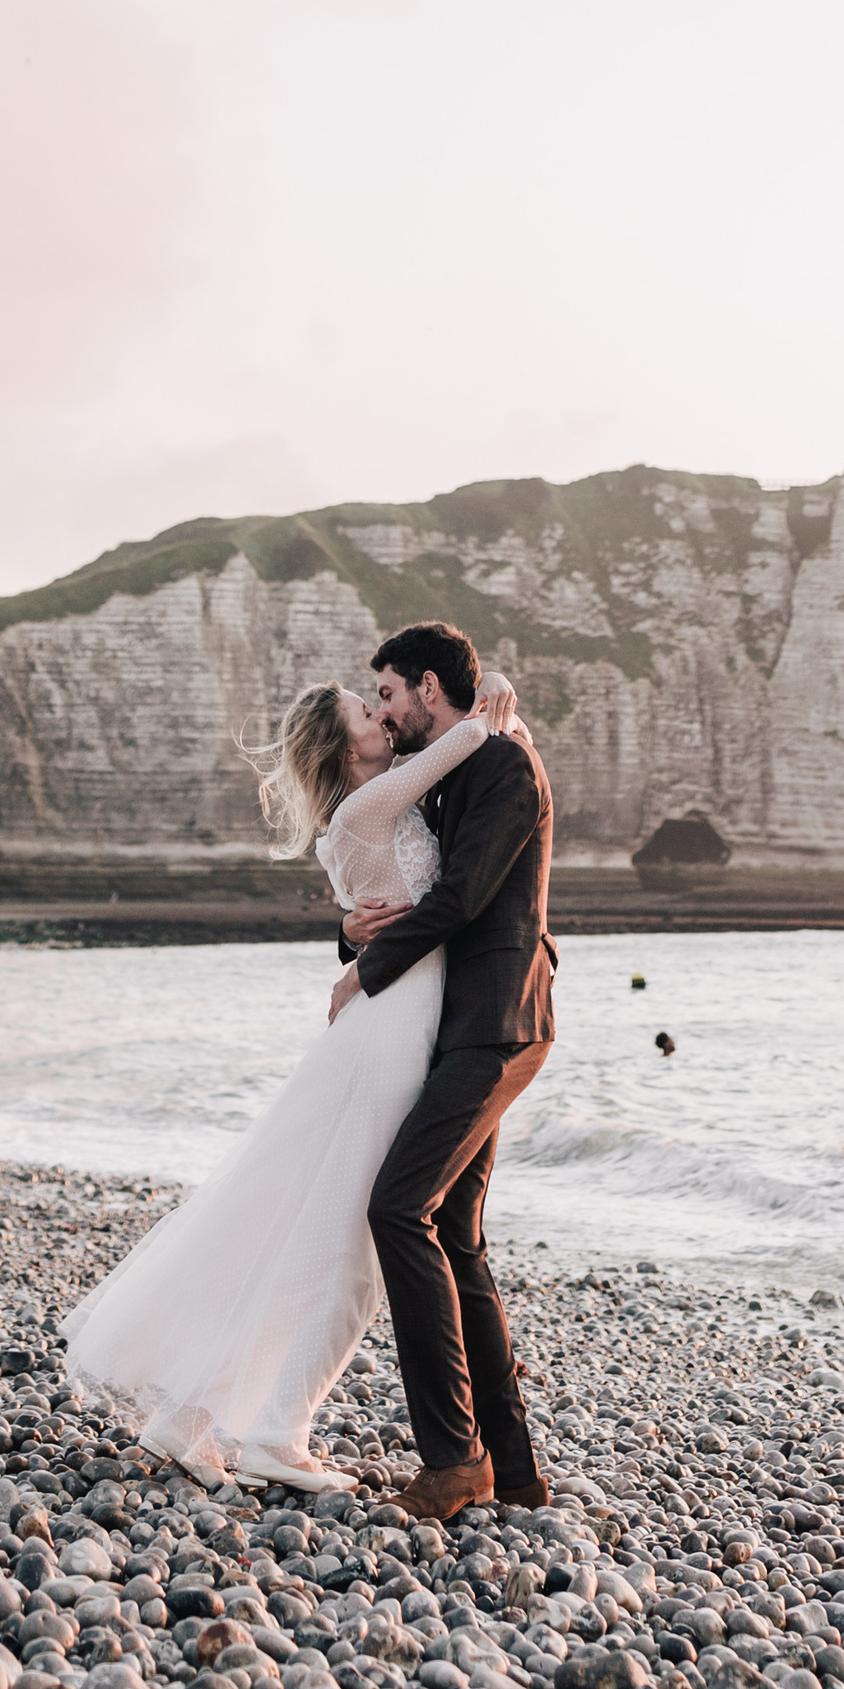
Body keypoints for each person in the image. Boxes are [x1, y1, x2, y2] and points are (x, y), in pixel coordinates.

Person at [59, 660, 520, 1493]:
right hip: (388, 1036)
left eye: (380, 701)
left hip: (390, 1025)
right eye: (363, 711)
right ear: (341, 747)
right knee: (360, 1250)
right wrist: (494, 715)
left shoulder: (379, 808)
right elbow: (458, 745)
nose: (382, 717)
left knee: (319, 1231)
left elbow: (418, 876)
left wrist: (353, 941)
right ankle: (277, 1429)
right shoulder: (368, 802)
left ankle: (189, 1416)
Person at [334, 620, 557, 1521]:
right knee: (455, 1233)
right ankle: (512, 1469)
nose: (383, 712)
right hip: (459, 1026)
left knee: (399, 1205)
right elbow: (391, 885)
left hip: (500, 1021)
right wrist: (352, 935)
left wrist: (365, 971)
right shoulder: (442, 777)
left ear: (431, 686)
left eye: (388, 693)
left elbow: (461, 899)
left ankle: (453, 1458)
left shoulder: (505, 767)